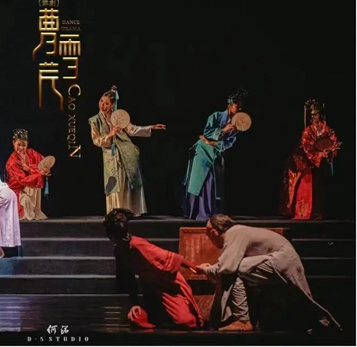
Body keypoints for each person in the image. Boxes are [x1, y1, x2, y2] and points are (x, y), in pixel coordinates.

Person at [195, 214, 341, 332]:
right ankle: (324, 323)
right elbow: (227, 264)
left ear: (214, 233)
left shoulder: (234, 234)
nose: (210, 239)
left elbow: (227, 268)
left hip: (282, 260)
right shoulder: (238, 231)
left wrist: (206, 270)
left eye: (208, 235)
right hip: (282, 260)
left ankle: (243, 321)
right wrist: (212, 268)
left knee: (238, 271)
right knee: (242, 269)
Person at [104, 208, 203, 329]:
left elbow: (170, 256)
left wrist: (195, 268)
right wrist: (135, 303)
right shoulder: (119, 251)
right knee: (136, 318)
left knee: (186, 321)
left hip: (168, 284)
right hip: (149, 286)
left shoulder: (137, 245)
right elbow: (128, 278)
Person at [88, 85, 166, 216]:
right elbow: (96, 140)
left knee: (127, 181)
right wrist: (110, 135)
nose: (102, 105)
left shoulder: (118, 116)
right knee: (114, 182)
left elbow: (132, 130)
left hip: (127, 151)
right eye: (101, 101)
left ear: (112, 105)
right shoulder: (94, 120)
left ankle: (130, 210)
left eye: (106, 103)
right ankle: (116, 211)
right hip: (110, 155)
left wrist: (151, 127)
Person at [182, 88, 248, 221]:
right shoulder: (216, 116)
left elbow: (229, 142)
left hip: (216, 151)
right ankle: (197, 212)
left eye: (241, 106)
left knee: (213, 181)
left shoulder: (236, 125)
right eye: (237, 106)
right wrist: (223, 131)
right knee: (201, 180)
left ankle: (212, 212)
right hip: (202, 151)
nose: (240, 109)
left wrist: (215, 143)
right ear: (230, 106)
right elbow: (206, 132)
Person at [280, 99, 341, 220]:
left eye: (316, 115)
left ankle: (318, 212)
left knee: (319, 187)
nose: (314, 118)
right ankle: (303, 212)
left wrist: (331, 152)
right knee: (305, 186)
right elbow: (307, 147)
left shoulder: (328, 130)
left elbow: (333, 143)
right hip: (303, 161)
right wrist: (320, 155)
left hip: (318, 164)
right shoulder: (308, 131)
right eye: (313, 116)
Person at [5, 128, 50, 220]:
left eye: (24, 145)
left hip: (29, 188)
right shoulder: (12, 162)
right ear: (13, 143)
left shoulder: (31, 153)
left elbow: (44, 162)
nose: (21, 148)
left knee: (36, 182)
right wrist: (38, 173)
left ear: (27, 144)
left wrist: (45, 168)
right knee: (26, 201)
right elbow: (22, 180)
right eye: (18, 145)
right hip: (17, 190)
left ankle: (35, 210)